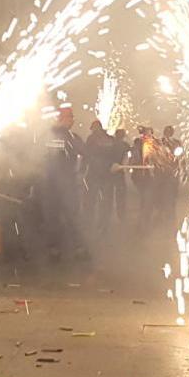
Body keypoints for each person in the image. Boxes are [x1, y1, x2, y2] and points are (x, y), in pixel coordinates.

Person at [39, 106, 84, 261]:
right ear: (61, 119)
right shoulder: (64, 137)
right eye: (70, 117)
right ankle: (66, 247)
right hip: (59, 183)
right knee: (63, 215)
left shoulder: (53, 136)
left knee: (61, 215)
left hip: (58, 183)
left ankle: (60, 248)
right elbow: (81, 151)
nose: (72, 120)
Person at [82, 120, 116, 231]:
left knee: (90, 201)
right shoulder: (111, 139)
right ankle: (103, 226)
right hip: (107, 175)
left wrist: (82, 170)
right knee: (106, 202)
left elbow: (86, 155)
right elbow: (116, 157)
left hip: (94, 174)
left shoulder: (91, 139)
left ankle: (88, 224)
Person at [111, 128, 131, 224]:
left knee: (113, 194)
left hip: (111, 171)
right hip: (118, 172)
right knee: (120, 194)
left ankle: (117, 214)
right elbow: (127, 157)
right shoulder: (124, 145)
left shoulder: (111, 144)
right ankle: (120, 215)